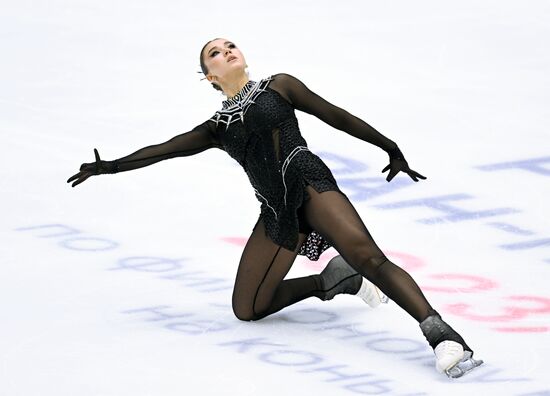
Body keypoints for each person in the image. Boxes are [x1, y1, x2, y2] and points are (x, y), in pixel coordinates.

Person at [67, 37, 483, 378]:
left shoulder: (278, 86)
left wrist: (389, 146)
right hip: (275, 211)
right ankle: (333, 281)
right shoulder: (217, 127)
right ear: (210, 76)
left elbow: (334, 115)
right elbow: (164, 150)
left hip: (308, 182)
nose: (227, 51)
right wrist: (110, 167)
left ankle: (443, 336)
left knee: (369, 256)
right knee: (248, 309)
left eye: (231, 45)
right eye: (216, 53)